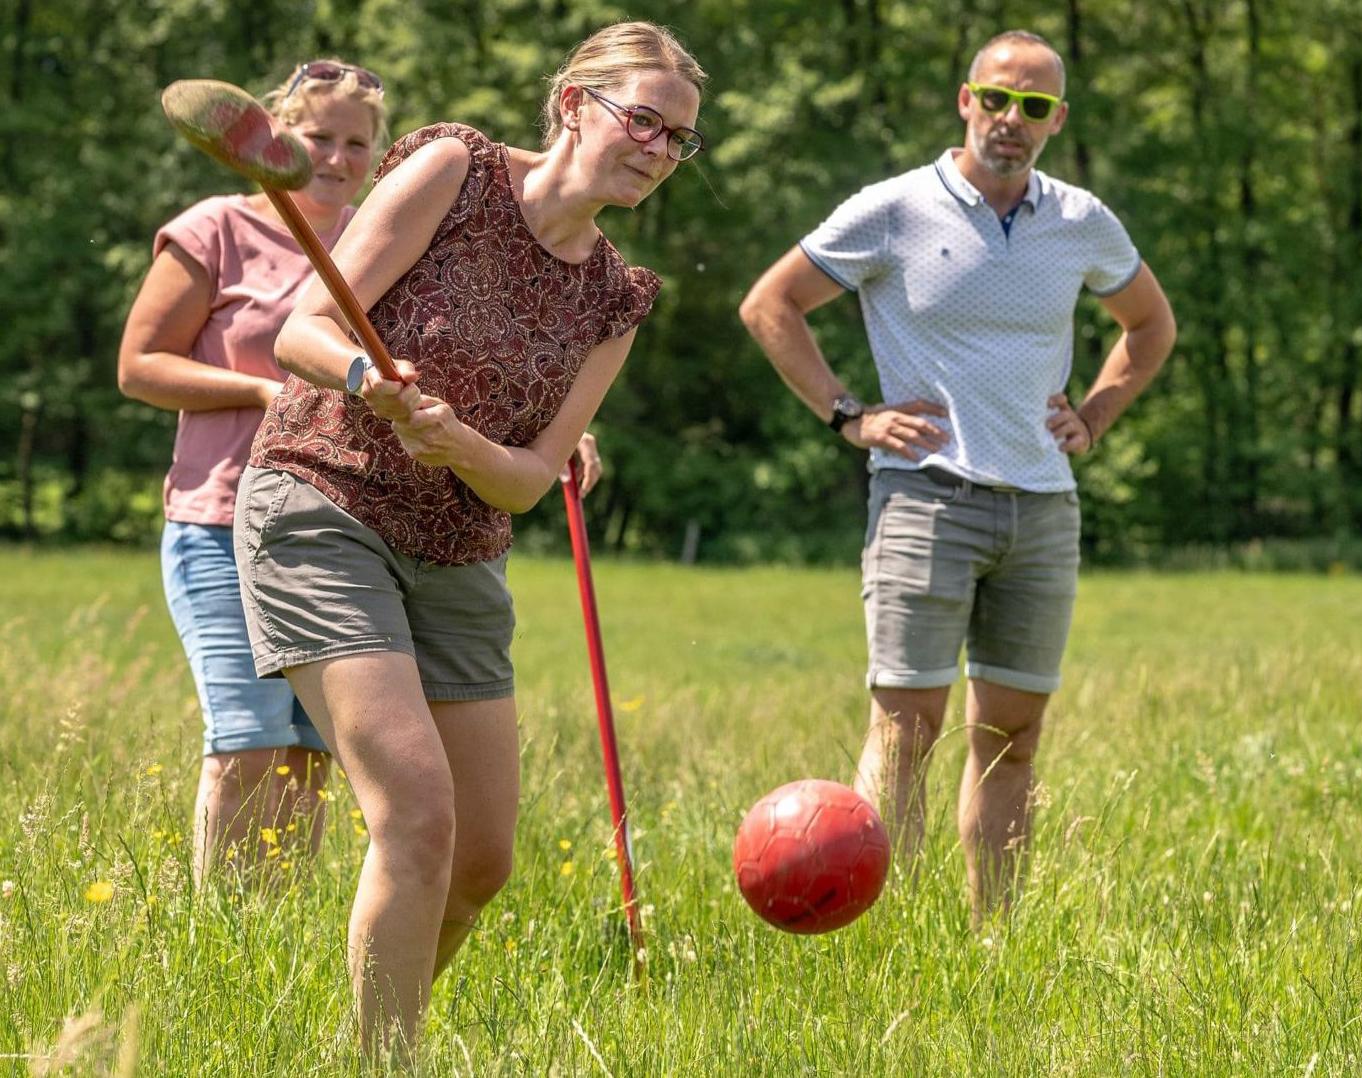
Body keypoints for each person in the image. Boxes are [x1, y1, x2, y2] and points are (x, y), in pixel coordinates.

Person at [238, 22, 705, 1052]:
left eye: (678, 140)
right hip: (325, 499)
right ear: (574, 102)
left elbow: (534, 478)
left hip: (458, 543)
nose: (658, 150)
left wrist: (456, 442)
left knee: (481, 858)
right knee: (415, 813)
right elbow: (303, 330)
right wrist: (371, 380)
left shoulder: (615, 298)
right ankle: (383, 1062)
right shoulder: (457, 170)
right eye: (643, 119)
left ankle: (361, 1034)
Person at [740, 29, 1176, 921]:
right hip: (924, 499)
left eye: (1036, 106)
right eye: (998, 98)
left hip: (1044, 509)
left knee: (1013, 736)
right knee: (906, 732)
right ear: (966, 99)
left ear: (1057, 120)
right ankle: (877, 927)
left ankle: (993, 940)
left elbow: (1150, 327)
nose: (1012, 120)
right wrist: (847, 413)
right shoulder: (893, 209)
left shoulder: (1081, 221)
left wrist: (1091, 416)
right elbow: (769, 303)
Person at [117, 60, 390, 883]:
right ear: (273, 137)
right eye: (317, 138)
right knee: (249, 734)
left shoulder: (379, 243)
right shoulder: (217, 229)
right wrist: (263, 388)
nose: (336, 158)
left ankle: (271, 928)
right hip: (220, 521)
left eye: (356, 142)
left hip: (336, 527)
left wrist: (547, 434)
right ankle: (221, 932)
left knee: (309, 747)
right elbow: (138, 366)